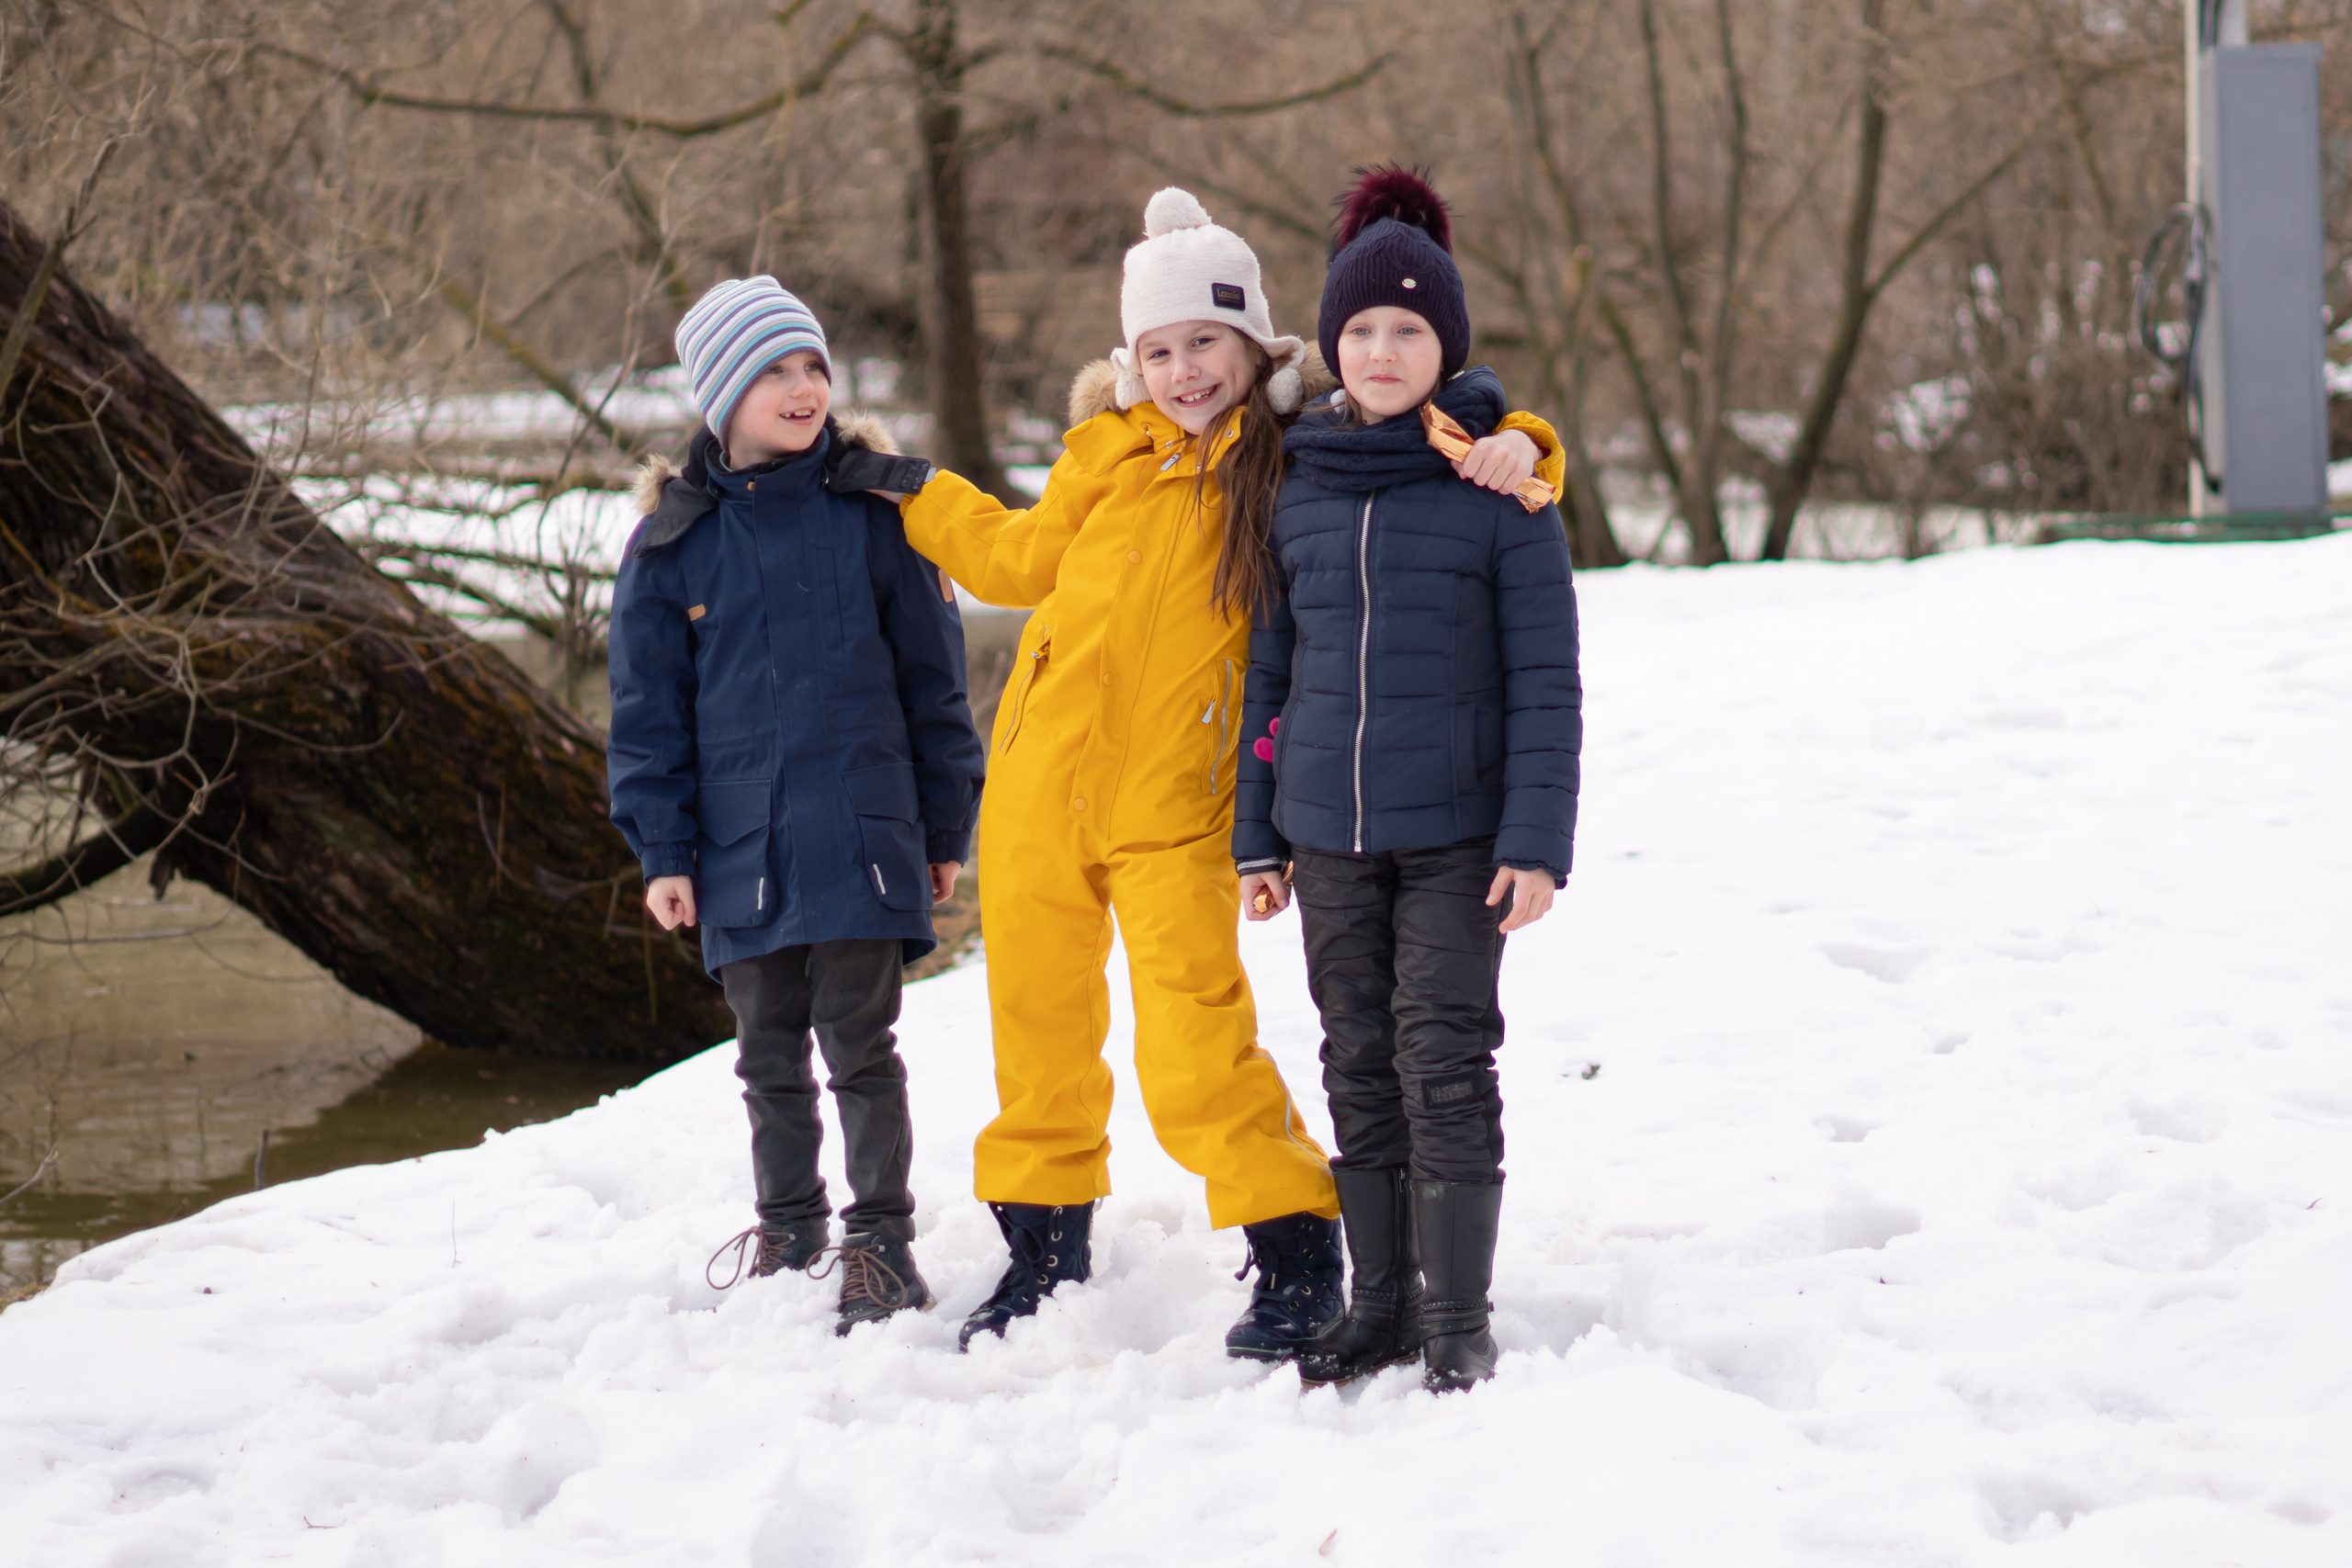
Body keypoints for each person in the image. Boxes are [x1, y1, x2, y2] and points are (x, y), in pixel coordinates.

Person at [885, 188, 1566, 1359]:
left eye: (1206, 341)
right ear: (1128, 362)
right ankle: (1042, 1243)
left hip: (1177, 800)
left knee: (1192, 1042)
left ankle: (1295, 1240)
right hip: (1044, 787)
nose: (1183, 369)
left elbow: (1409, 435)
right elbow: (1017, 559)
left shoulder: (1284, 453)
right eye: (1157, 349)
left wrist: (1528, 443)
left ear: (1255, 345)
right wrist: (911, 493)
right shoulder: (1104, 455)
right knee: (1034, 1027)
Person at [1233, 168, 1583, 1393]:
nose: (1384, 350)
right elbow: (1269, 669)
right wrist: (1256, 837)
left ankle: (1458, 1314)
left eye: (1410, 329)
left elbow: (1548, 681)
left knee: (1443, 1056)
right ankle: (1377, 1300)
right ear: (1334, 343)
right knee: (1355, 1057)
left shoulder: (1503, 491)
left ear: (1447, 343)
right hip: (1325, 831)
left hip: (1459, 835)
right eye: (1363, 330)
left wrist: (1536, 841)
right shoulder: (1300, 482)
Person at [607, 276, 984, 1336]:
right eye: (775, 369)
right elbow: (647, 719)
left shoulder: (875, 515)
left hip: (866, 830)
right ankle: (789, 1223)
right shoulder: (670, 546)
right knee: (767, 1050)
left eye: (813, 365)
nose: (802, 386)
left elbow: (932, 685)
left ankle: (881, 1243)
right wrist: (663, 852)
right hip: (738, 845)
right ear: (721, 395)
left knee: (861, 1045)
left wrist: (944, 827)